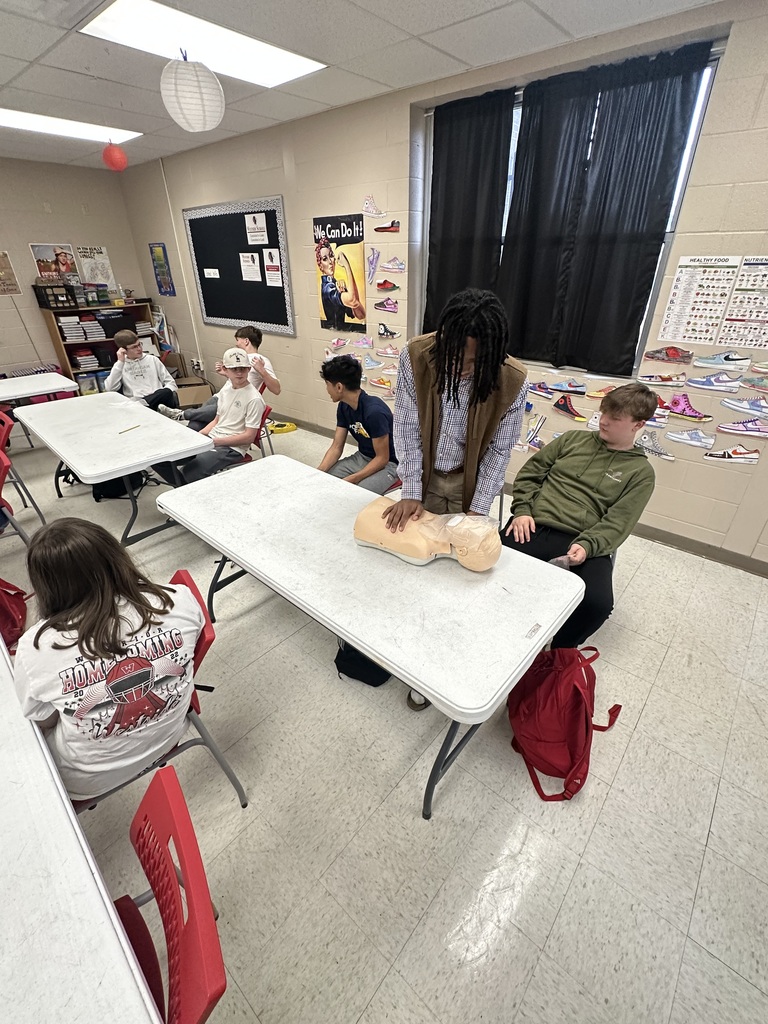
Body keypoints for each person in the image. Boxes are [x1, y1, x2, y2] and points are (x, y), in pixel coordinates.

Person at [383, 287, 528, 710]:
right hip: (424, 477)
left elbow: (500, 450)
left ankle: (439, 671)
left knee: (458, 581)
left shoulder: (511, 378)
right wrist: (411, 490)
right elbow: (406, 424)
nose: (464, 368)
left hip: (471, 485)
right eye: (457, 357)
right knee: (412, 566)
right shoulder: (416, 356)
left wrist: (478, 514)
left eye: (474, 361)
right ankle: (403, 650)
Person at [12, 518, 204, 801]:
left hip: (87, 782)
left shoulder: (36, 646)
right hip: (170, 735)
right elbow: (181, 662)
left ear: (46, 585)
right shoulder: (179, 598)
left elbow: (43, 720)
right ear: (116, 555)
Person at [502, 383, 658, 648]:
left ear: (638, 425)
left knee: (597, 604)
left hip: (582, 540)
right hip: (533, 524)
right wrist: (522, 510)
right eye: (603, 413)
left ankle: (559, 652)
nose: (604, 422)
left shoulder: (640, 473)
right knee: (486, 566)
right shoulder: (572, 439)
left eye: (615, 418)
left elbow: (619, 521)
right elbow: (530, 474)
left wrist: (587, 546)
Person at [154, 347, 265, 484]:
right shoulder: (226, 391)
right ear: (225, 369)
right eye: (234, 369)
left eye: (242, 368)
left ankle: (185, 490)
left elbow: (249, 437)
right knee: (160, 459)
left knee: (189, 473)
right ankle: (183, 488)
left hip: (230, 448)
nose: (239, 373)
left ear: (249, 369)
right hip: (212, 438)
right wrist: (200, 436)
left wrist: (215, 442)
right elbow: (217, 419)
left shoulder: (254, 399)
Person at [159, 325, 280, 429]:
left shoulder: (260, 360)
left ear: (246, 341)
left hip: (236, 402)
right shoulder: (235, 356)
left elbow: (276, 390)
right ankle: (186, 423)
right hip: (221, 395)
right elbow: (237, 380)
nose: (236, 344)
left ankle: (182, 414)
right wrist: (226, 373)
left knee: (196, 424)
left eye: (238, 340)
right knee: (195, 424)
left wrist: (262, 371)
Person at [317, 355, 399, 493]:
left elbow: (382, 458)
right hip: (363, 457)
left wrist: (354, 478)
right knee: (324, 481)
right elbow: (336, 447)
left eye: (327, 384)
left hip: (390, 464)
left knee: (357, 493)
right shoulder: (344, 406)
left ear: (339, 387)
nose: (327, 390)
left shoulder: (374, 412)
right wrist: (318, 473)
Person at [104, 330, 178, 411]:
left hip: (158, 400)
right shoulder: (120, 365)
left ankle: (142, 404)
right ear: (123, 350)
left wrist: (163, 392)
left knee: (166, 392)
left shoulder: (152, 359)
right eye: (134, 347)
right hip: (136, 401)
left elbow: (171, 383)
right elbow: (110, 388)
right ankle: (143, 405)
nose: (139, 349)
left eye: (139, 344)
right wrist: (120, 362)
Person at [316, 236, 365, 330]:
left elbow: (361, 315)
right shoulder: (328, 288)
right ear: (320, 266)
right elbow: (353, 301)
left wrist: (346, 290)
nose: (330, 262)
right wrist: (346, 265)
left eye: (331, 256)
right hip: (334, 332)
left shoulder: (336, 285)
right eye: (325, 259)